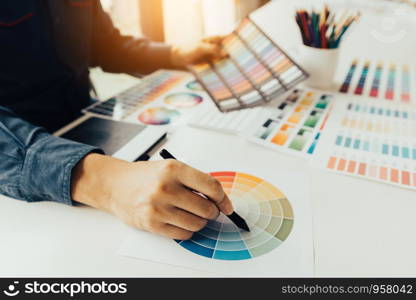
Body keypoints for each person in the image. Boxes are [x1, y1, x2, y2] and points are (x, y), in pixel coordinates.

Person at [0, 0, 234, 240]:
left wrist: (175, 54)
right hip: (18, 165)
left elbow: (106, 46)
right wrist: (102, 181)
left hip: (89, 120)